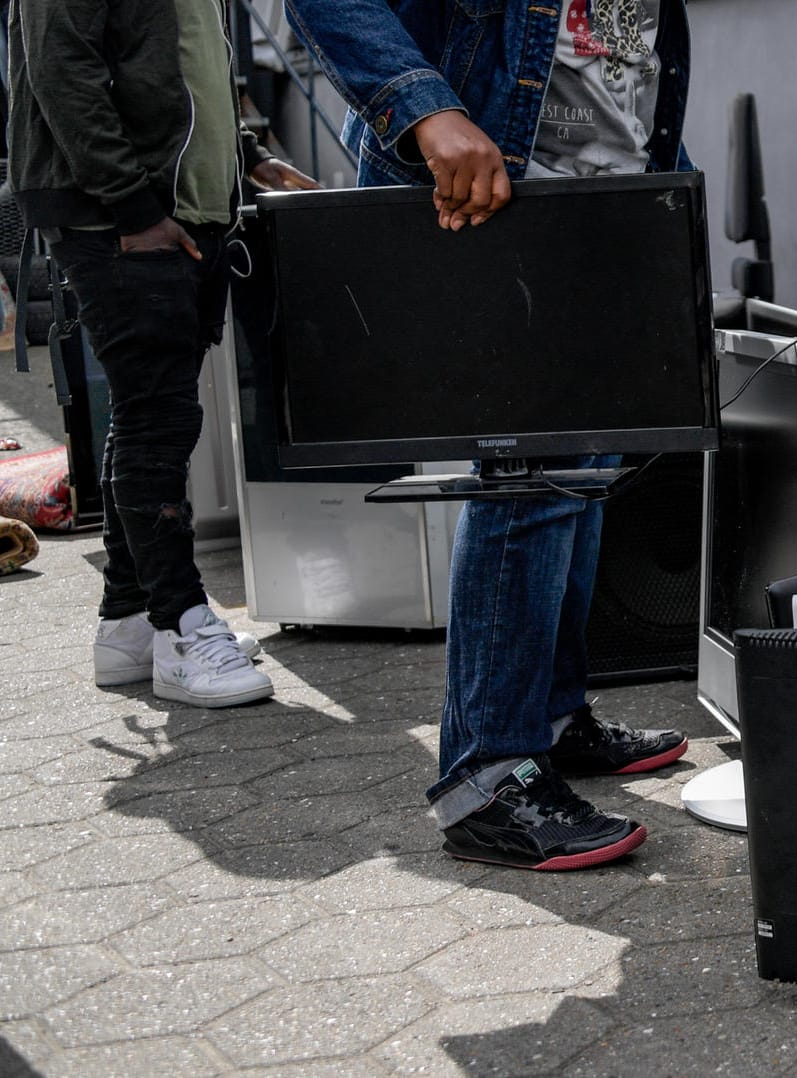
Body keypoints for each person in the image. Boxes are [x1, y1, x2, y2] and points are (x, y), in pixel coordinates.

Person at [285, 0, 691, 870]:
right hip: (499, 188)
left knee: (586, 465)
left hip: (609, 193)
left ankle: (547, 716)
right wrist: (427, 108)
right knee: (532, 472)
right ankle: (488, 778)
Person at [9, 0, 316, 708]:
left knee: (153, 414)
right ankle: (180, 625)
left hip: (184, 207)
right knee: (158, 420)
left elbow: (185, 69)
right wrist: (132, 206)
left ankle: (129, 622)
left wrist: (245, 155)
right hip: (123, 217)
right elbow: (62, 69)